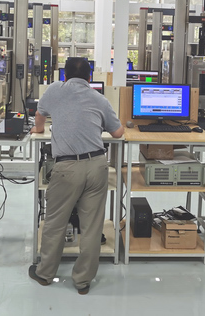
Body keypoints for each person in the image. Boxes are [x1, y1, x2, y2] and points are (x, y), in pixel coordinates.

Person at [28, 57, 124, 295]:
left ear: (64, 76)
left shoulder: (54, 90)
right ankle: (82, 281)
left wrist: (38, 129)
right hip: (97, 166)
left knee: (55, 223)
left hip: (67, 168)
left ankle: (45, 274)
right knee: (92, 227)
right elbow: (118, 133)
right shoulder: (100, 99)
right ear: (90, 78)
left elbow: (39, 116)